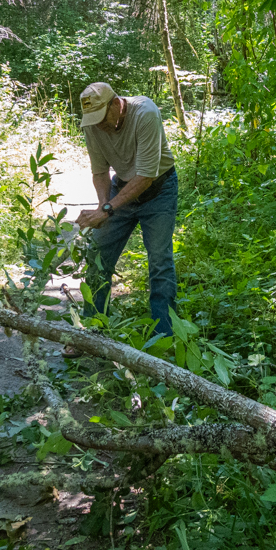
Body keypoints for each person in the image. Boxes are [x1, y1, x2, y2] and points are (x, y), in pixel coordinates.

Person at [68, 82, 178, 356]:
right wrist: (102, 207)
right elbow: (99, 171)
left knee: (160, 262)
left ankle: (163, 340)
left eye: (102, 117)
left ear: (116, 104)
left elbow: (146, 176)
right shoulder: (93, 125)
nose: (99, 126)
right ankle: (91, 331)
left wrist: (107, 209)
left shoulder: (146, 114)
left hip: (159, 190)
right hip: (122, 189)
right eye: (93, 120)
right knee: (98, 256)